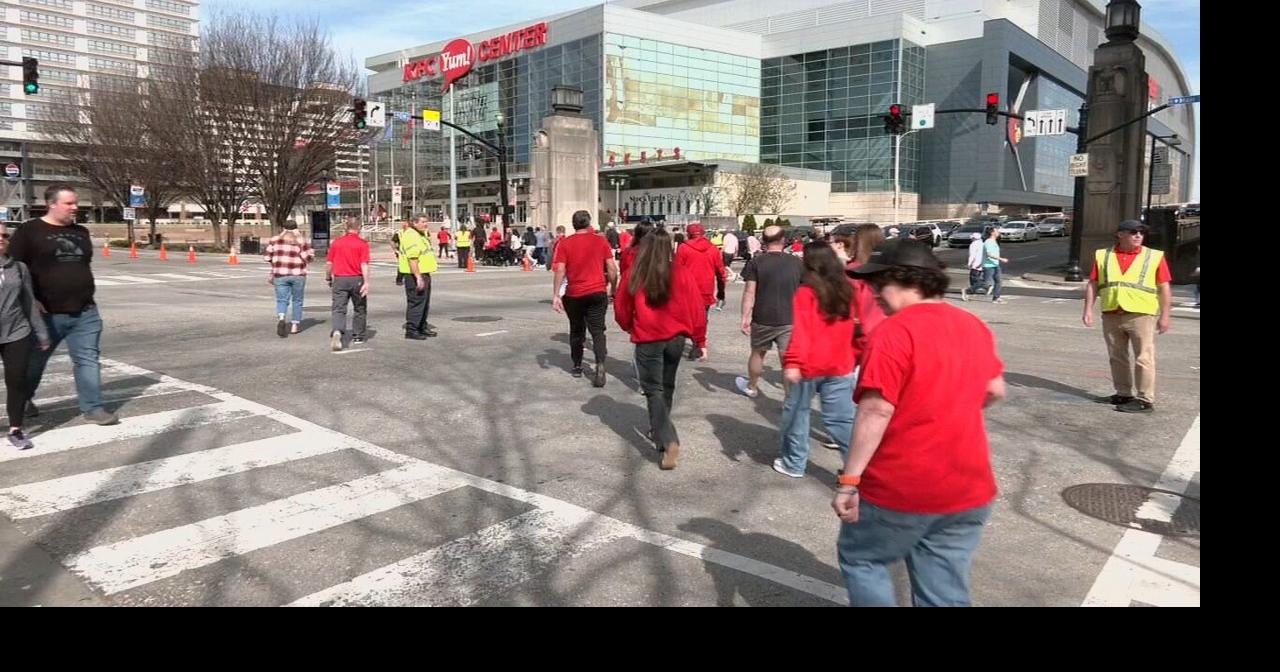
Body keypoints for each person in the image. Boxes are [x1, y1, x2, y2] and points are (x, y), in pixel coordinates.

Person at [839, 239, 1006, 607]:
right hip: (967, 484)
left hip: (904, 486)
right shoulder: (971, 325)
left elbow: (875, 411)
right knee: (943, 586)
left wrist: (849, 481)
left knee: (863, 559)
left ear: (908, 281)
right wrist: (951, 410)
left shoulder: (892, 332)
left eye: (879, 283)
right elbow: (994, 389)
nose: (873, 293)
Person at [10, 185, 118, 426]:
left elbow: (83, 265)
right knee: (34, 363)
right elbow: (13, 268)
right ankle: (23, 399)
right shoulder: (29, 231)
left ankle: (93, 408)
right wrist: (31, 300)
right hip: (45, 314)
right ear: (52, 203)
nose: (75, 207)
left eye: (75, 203)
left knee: (88, 359)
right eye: (69, 203)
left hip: (85, 312)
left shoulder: (81, 231)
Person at [614, 228, 708, 470]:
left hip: (648, 337)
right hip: (676, 339)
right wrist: (699, 339)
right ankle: (660, 433)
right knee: (666, 387)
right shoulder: (682, 273)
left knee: (653, 390)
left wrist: (628, 327)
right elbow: (697, 309)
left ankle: (667, 437)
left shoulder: (634, 272)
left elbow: (621, 307)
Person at [773, 242, 858, 478]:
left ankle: (794, 462)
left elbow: (801, 331)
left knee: (796, 415)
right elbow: (855, 327)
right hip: (841, 363)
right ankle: (858, 469)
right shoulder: (847, 290)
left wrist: (792, 362)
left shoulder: (806, 293)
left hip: (809, 365)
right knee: (841, 421)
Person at [1082, 219, 1173, 414]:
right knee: (1117, 356)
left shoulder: (1153, 256)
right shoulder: (1103, 255)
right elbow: (1093, 283)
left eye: (1141, 232)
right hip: (1112, 313)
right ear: (1120, 234)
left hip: (1141, 314)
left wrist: (1165, 315)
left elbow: (1164, 287)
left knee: (1144, 358)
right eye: (1133, 232)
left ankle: (1145, 399)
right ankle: (1123, 393)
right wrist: (1088, 309)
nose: (1138, 235)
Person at [735, 225, 802, 400]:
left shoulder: (756, 262)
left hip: (762, 316)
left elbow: (750, 291)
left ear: (763, 241)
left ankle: (752, 386)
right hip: (789, 317)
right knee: (787, 359)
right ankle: (789, 396)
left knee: (758, 353)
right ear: (783, 240)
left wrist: (745, 316)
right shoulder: (797, 263)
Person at [552, 211, 618, 386]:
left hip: (575, 293)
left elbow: (560, 269)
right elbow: (612, 268)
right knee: (597, 332)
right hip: (597, 291)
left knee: (576, 329)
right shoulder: (600, 241)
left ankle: (577, 365)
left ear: (573, 224)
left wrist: (556, 294)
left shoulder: (565, 243)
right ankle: (600, 364)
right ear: (588, 223)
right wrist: (613, 288)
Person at [0, 223, 51, 450]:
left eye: (4, 235)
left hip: (16, 332)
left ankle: (16, 429)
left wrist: (41, 333)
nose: (2, 238)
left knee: (17, 381)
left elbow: (29, 302)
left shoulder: (18, 268)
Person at [674, 223, 726, 354]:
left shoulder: (683, 248)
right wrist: (721, 291)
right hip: (706, 289)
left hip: (687, 289)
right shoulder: (713, 249)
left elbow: (676, 270)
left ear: (688, 233)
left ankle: (690, 339)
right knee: (702, 317)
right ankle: (698, 343)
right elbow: (721, 272)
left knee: (686, 317)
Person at [263, 220, 316, 338]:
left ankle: (282, 318)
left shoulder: (275, 239)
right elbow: (307, 258)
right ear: (296, 228)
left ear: (283, 228)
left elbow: (267, 257)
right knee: (297, 300)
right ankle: (294, 326)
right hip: (298, 274)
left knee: (282, 300)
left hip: (280, 274)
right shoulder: (300, 240)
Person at [326, 215, 370, 351]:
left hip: (340, 278)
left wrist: (328, 277)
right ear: (359, 227)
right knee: (360, 308)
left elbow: (329, 263)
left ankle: (338, 330)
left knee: (339, 308)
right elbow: (364, 264)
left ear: (346, 227)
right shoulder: (362, 244)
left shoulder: (336, 243)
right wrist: (366, 282)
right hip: (356, 278)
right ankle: (358, 335)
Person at [400, 216, 438, 339]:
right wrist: (418, 277)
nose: (425, 224)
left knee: (424, 302)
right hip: (415, 274)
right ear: (414, 223)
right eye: (422, 222)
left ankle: (421, 326)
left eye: (426, 221)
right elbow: (413, 258)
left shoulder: (420, 234)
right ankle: (412, 329)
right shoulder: (411, 235)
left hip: (424, 272)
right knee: (416, 302)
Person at [981, 228, 1009, 304]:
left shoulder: (994, 241)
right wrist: (1001, 259)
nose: (998, 232)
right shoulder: (988, 242)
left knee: (999, 281)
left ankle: (996, 298)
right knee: (986, 283)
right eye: (997, 231)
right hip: (988, 265)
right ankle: (968, 290)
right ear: (992, 233)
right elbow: (989, 254)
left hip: (995, 264)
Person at [960, 233, 986, 301]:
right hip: (982, 264)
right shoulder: (982, 244)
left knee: (974, 278)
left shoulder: (973, 244)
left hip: (975, 264)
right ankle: (973, 291)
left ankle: (968, 291)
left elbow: (972, 255)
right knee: (978, 278)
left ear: (973, 238)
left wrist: (969, 264)